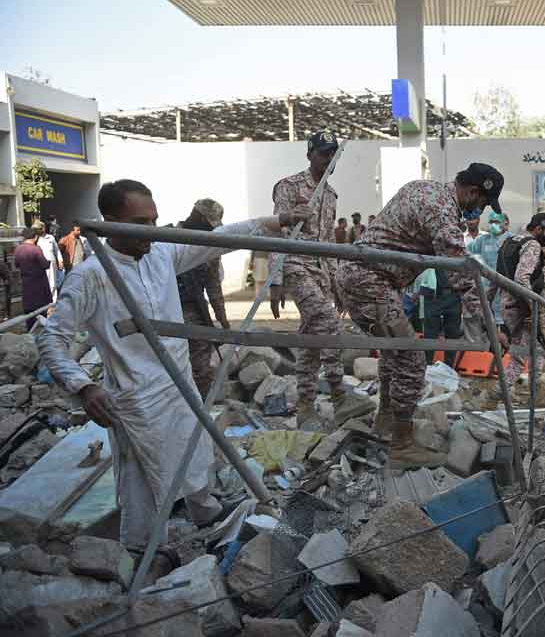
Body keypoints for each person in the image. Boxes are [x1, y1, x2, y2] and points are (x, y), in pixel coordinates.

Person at [37, 179, 311, 551]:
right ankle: (141, 555)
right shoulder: (92, 275)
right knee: (143, 480)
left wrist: (274, 222)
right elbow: (51, 338)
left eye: (154, 220)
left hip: (179, 384)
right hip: (135, 398)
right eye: (140, 222)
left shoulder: (161, 253)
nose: (151, 231)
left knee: (194, 451)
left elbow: (220, 237)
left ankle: (206, 512)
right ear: (111, 221)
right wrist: (84, 386)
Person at [338, 163, 503, 469]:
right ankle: (402, 445)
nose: (479, 212)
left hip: (369, 279)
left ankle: (386, 423)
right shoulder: (441, 210)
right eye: (481, 204)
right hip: (369, 282)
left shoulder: (422, 188)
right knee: (412, 359)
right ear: (471, 192)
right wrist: (490, 324)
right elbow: (460, 273)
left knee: (394, 355)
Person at [269, 131, 373, 429]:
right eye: (323, 154)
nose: (328, 160)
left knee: (311, 340)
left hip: (321, 272)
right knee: (329, 323)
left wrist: (337, 283)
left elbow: (328, 243)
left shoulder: (330, 196)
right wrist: (276, 280)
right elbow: (278, 234)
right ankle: (339, 395)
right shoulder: (289, 187)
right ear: (310, 155)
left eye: (333, 154)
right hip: (296, 266)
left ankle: (305, 404)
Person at [489, 212, 545, 401]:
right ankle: (504, 389)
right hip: (522, 307)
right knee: (524, 353)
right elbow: (521, 277)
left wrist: (490, 301)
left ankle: (529, 389)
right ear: (539, 229)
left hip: (509, 304)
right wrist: (532, 308)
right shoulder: (531, 245)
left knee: (534, 348)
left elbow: (496, 276)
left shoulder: (510, 242)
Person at [176, 199, 232, 400]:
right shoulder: (168, 238)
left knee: (200, 360)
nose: (211, 229)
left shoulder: (209, 247)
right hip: (164, 306)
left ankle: (199, 409)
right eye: (209, 223)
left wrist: (224, 322)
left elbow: (213, 287)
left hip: (193, 308)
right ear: (197, 217)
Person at [467, 211, 511, 325]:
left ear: (505, 223)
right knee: (487, 321)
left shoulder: (512, 240)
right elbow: (466, 254)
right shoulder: (482, 240)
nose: (493, 225)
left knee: (505, 321)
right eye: (491, 222)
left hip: (505, 288)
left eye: (496, 222)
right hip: (485, 288)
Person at [421, 268, 463, 368]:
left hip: (453, 294)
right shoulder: (431, 253)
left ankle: (449, 367)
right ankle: (427, 365)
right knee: (430, 333)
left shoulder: (460, 254)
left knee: (453, 332)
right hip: (432, 295)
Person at [14, 226, 51, 330]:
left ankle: (30, 332)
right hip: (39, 285)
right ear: (35, 237)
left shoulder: (18, 249)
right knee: (41, 312)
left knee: (29, 313)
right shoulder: (36, 249)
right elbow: (45, 265)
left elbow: (16, 265)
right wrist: (49, 262)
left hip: (26, 285)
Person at [34, 221, 62, 300]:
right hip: (40, 265)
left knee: (53, 284)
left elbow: (57, 250)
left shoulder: (50, 237)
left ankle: (53, 303)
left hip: (52, 265)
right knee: (42, 285)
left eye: (41, 228)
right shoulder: (35, 239)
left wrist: (60, 260)